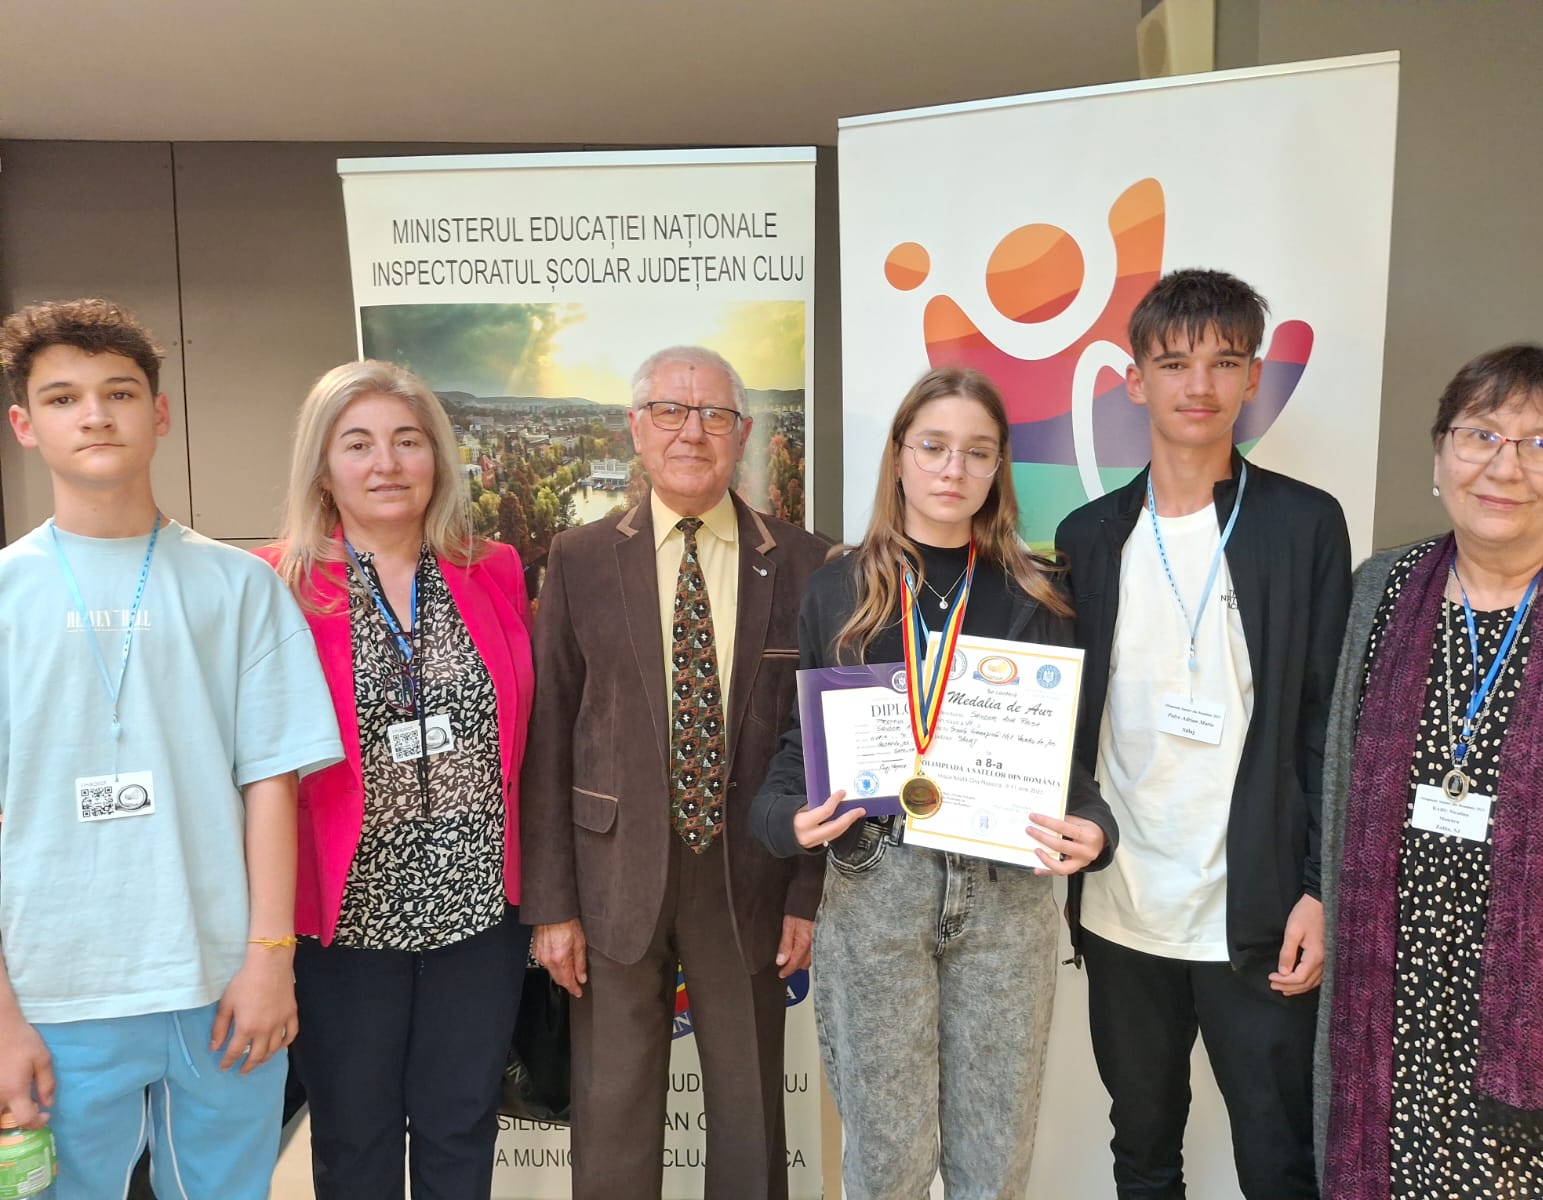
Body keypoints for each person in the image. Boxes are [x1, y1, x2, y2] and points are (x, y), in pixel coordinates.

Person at [0, 298, 343, 1198]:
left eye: (119, 393)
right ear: (25, 425)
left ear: (159, 414)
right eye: (63, 398)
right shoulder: (5, 595)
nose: (95, 415)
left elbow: (272, 784)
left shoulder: (240, 587)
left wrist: (270, 959)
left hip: (221, 980)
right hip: (53, 992)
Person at [751, 365, 1117, 1200]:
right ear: (899, 456)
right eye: (934, 447)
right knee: (888, 1164)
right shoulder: (838, 590)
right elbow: (801, 743)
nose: (954, 469)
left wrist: (1095, 826)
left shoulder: (1040, 592)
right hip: (878, 885)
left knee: (993, 1161)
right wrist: (782, 817)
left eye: (977, 452)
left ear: (998, 468)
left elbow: (1062, 756)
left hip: (1008, 891)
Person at [1054, 268, 1352, 1200]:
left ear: (1253, 377)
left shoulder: (1304, 524)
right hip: (1122, 906)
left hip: (1256, 908)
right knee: (1143, 1150)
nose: (1199, 384)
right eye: (1174, 362)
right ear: (1134, 380)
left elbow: (1326, 722)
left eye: (1224, 362)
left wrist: (1320, 889)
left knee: (1280, 1157)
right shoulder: (1087, 536)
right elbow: (1063, 721)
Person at [522, 345, 829, 1199]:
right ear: (636, 428)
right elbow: (550, 739)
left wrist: (807, 892)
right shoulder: (580, 559)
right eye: (670, 411)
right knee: (613, 1119)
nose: (693, 431)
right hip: (611, 878)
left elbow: (822, 745)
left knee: (751, 1121)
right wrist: (551, 907)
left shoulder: (808, 563)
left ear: (743, 434)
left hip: (752, 879)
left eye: (715, 415)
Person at [1317, 344, 1543, 1199]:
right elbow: (1334, 778)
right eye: (1480, 435)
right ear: (1440, 456)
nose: (1505, 467)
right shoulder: (1381, 589)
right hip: (1394, 994)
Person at [259, 360, 535, 1199]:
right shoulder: (276, 584)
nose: (386, 463)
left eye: (407, 441)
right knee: (355, 1140)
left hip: (477, 911)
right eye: (358, 444)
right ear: (323, 466)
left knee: (462, 1128)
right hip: (345, 919)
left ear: (436, 459)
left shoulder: (493, 568)